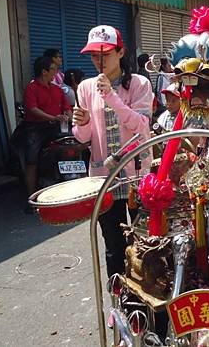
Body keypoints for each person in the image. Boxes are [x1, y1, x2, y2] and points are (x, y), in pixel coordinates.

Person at [72, 25, 153, 277]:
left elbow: (141, 126)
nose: (99, 61)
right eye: (94, 55)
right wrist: (82, 123)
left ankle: (148, 304)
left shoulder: (139, 84)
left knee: (145, 243)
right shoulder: (85, 88)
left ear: (120, 53)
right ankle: (120, 304)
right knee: (114, 247)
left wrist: (111, 97)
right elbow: (82, 138)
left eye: (105, 54)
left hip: (137, 177)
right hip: (103, 179)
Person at [20, 56, 72, 200]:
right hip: (35, 128)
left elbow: (67, 107)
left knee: (73, 148)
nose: (55, 73)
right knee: (32, 160)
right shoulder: (31, 88)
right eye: (53, 69)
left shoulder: (57, 89)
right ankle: (31, 197)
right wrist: (53, 118)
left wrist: (69, 116)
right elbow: (33, 109)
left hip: (57, 127)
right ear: (44, 72)